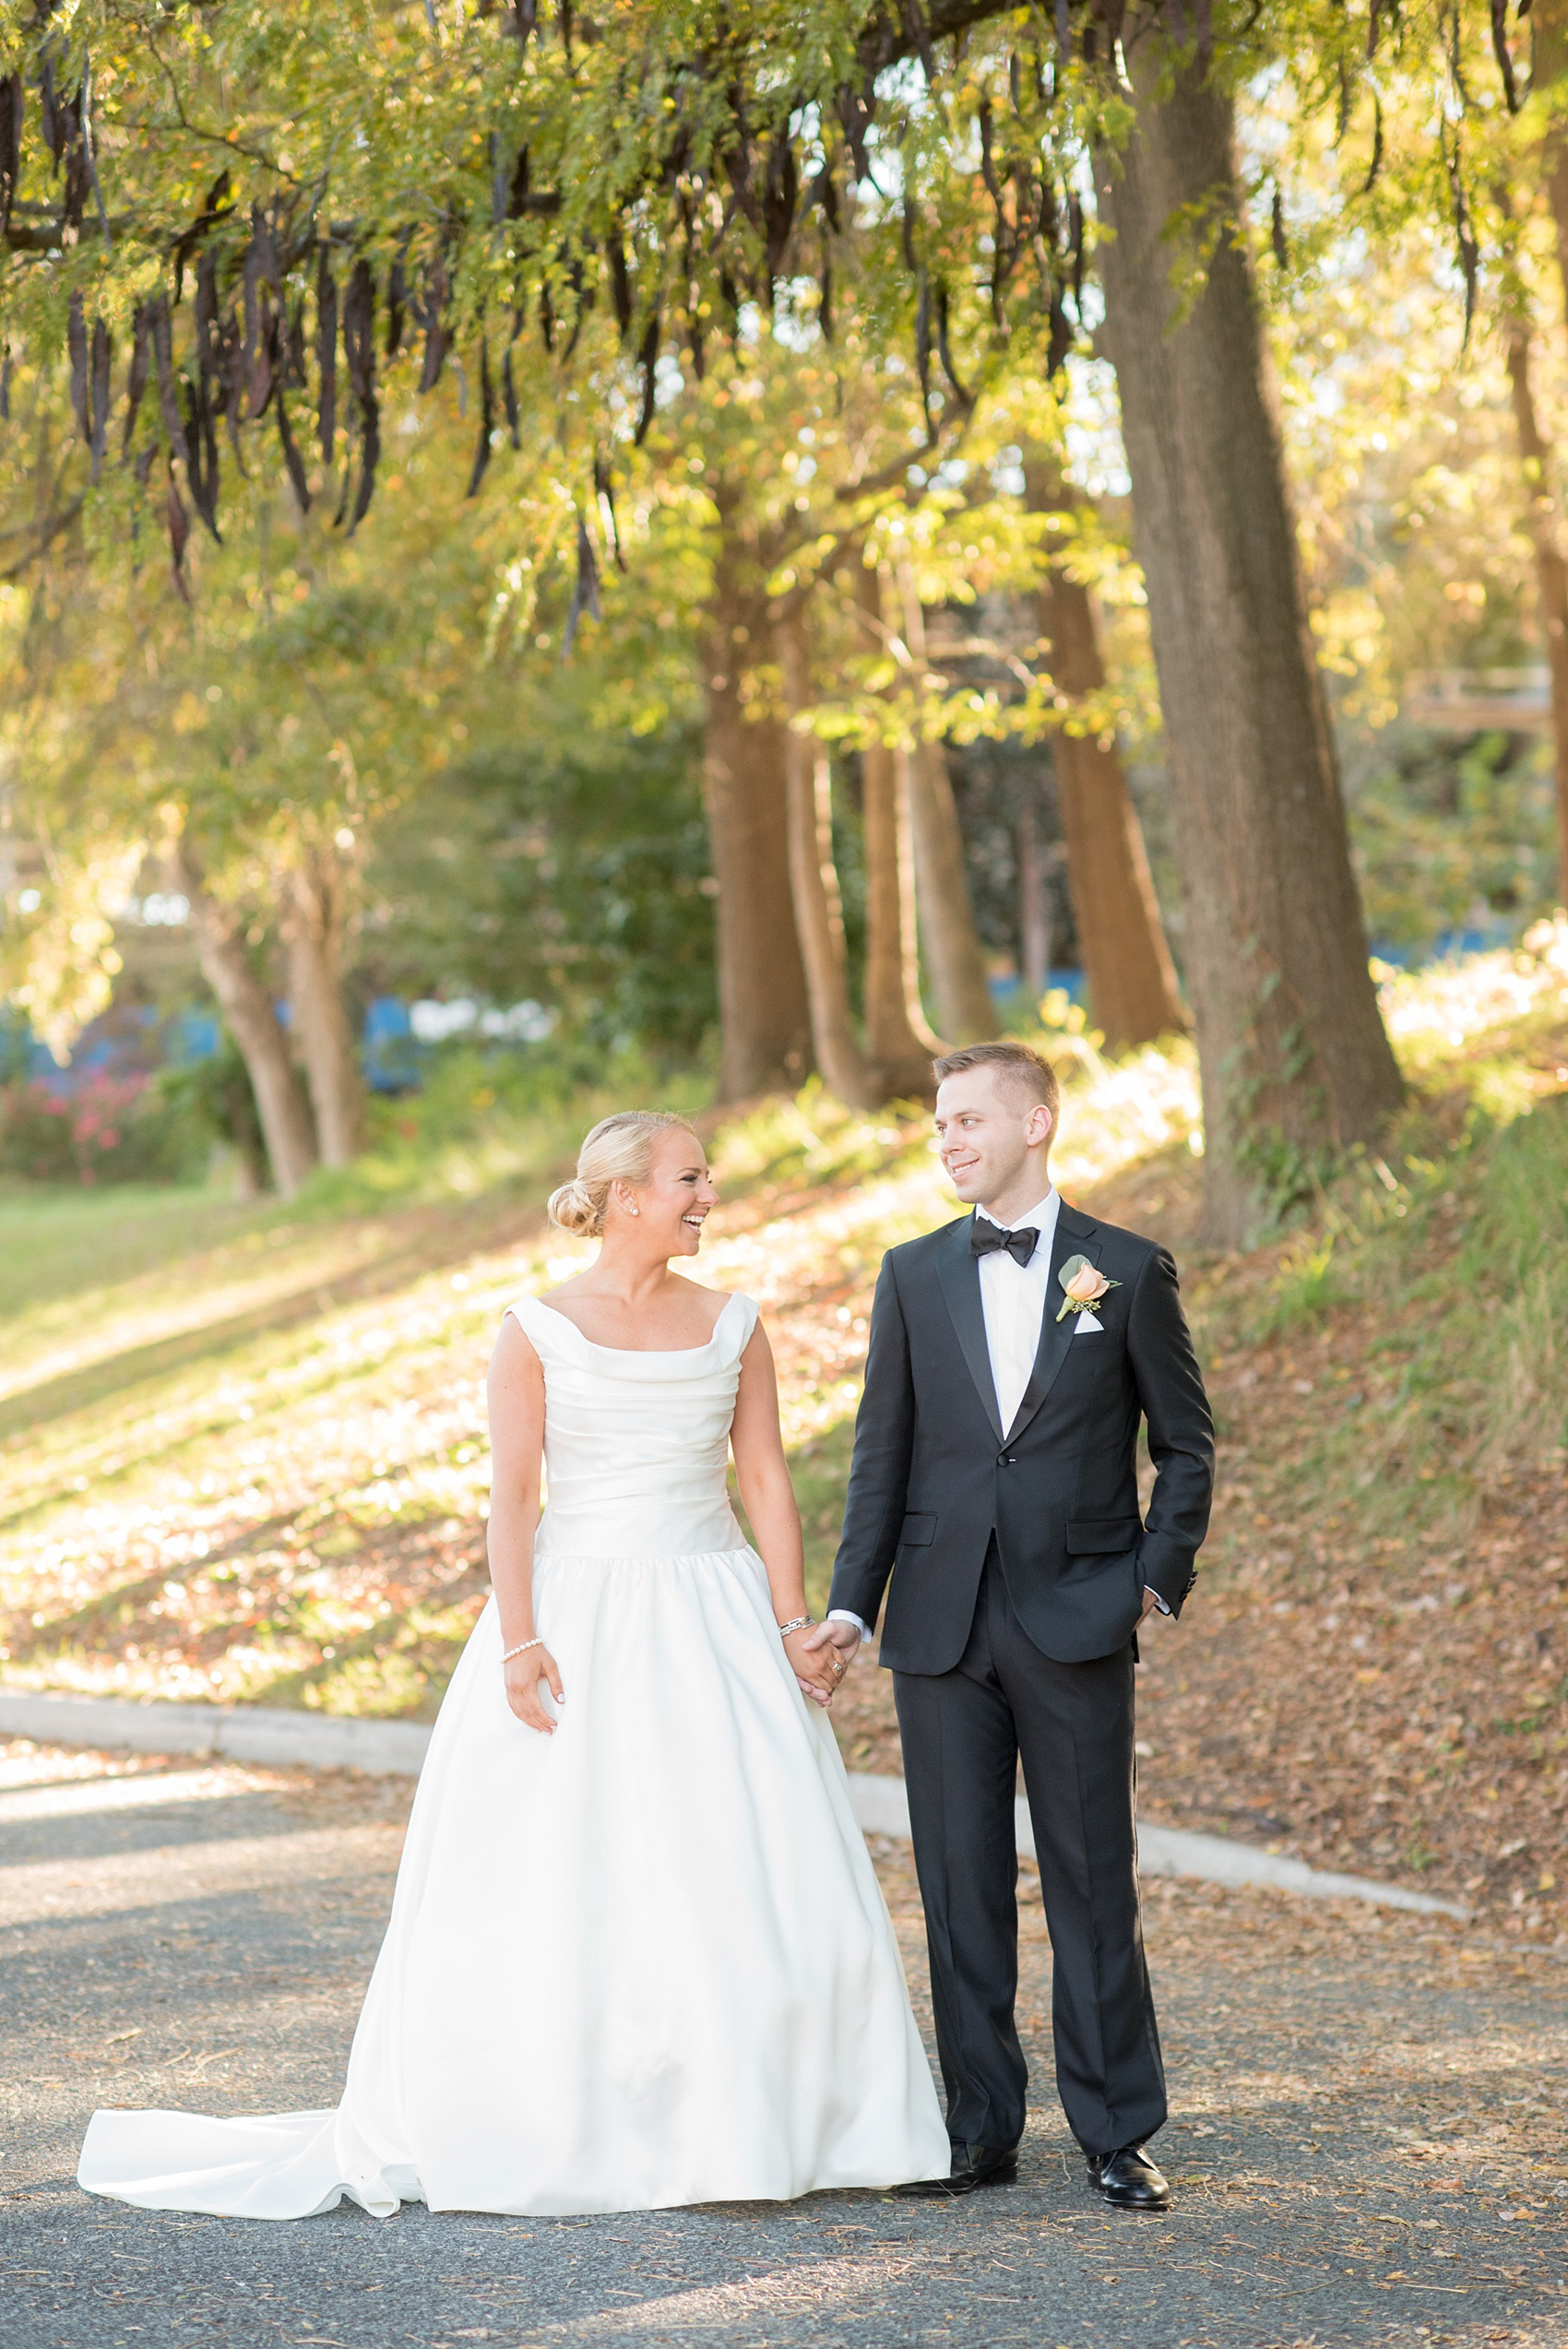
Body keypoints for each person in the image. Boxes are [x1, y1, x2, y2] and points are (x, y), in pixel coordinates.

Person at [78, 1110, 948, 2220]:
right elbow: (514, 1499)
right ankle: (564, 2113)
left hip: (713, 1607)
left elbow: (766, 1481)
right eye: (689, 1176)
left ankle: (765, 2117)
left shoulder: (736, 1323)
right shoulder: (532, 1328)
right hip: (576, 1614)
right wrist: (520, 1636)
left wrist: (790, 1624)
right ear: (626, 1193)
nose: (707, 1193)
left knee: (739, 1859)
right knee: (566, 1863)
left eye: (704, 1176)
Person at [812, 1043, 1213, 2210]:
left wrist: (1152, 1575)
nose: (948, 1139)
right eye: (938, 1124)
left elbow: (1183, 1444)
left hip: (1078, 1612)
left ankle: (1115, 2131)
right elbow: (879, 1455)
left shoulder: (1125, 1270)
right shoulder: (910, 1272)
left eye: (968, 1119)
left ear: (1036, 1121)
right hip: (939, 1625)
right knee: (958, 1884)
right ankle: (980, 2127)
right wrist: (852, 1599)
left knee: (1094, 1880)